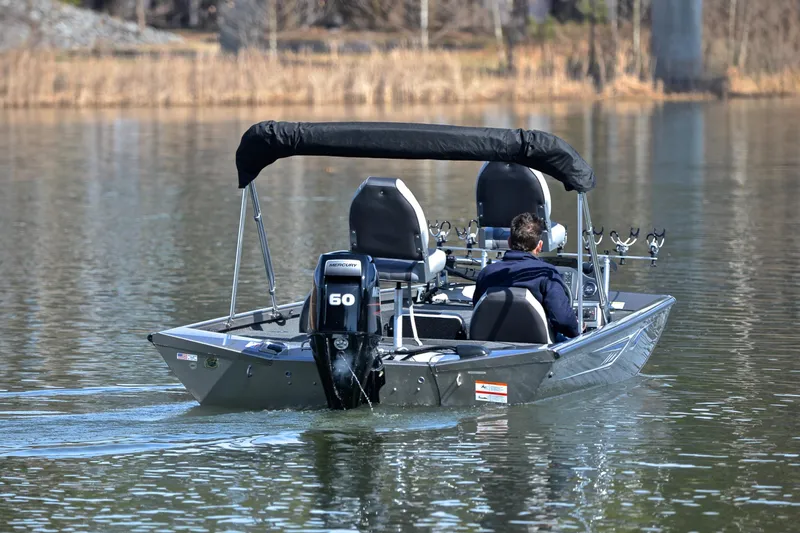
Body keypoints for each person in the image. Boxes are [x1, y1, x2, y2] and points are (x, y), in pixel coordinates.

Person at [472, 212, 581, 339]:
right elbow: (562, 320)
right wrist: (577, 331)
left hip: (492, 346)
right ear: (539, 246)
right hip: (538, 349)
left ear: (509, 242)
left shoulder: (486, 273)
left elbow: (478, 312)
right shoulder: (546, 274)